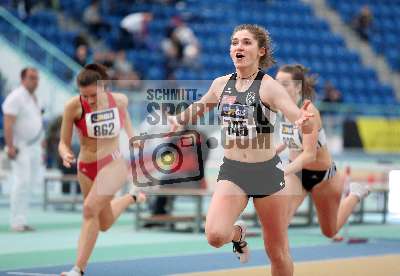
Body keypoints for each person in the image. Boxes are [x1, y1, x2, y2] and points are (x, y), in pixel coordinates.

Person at [167, 24, 313, 276]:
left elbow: (293, 113)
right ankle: (238, 233)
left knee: (277, 252)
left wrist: (302, 119)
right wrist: (178, 119)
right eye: (235, 42)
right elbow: (201, 106)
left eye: (246, 42)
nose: (239, 47)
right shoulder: (221, 84)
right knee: (214, 235)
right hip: (233, 170)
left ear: (260, 51)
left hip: (266, 173)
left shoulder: (269, 87)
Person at [58, 63, 145, 276]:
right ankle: (131, 198)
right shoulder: (73, 106)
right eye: (84, 96)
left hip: (113, 164)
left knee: (88, 210)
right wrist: (64, 153)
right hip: (85, 167)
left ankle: (78, 269)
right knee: (103, 222)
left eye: (92, 96)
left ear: (103, 87)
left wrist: (134, 139)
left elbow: (127, 123)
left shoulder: (119, 101)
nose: (88, 100)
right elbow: (63, 142)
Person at [275, 64, 369, 238]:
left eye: (285, 83)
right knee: (279, 222)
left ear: (297, 87)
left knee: (329, 231)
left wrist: (281, 171)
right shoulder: (280, 109)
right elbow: (290, 138)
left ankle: (355, 193)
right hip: (297, 174)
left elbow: (309, 154)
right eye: (277, 82)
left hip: (323, 177)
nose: (278, 87)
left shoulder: (309, 111)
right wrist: (273, 153)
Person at [2, 67, 44, 232]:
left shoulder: (34, 98)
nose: (36, 81)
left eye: (37, 78)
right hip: (20, 146)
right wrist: (10, 146)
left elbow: (37, 121)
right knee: (22, 182)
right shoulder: (16, 97)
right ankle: (16, 221)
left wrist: (42, 141)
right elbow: (8, 123)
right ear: (22, 79)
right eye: (32, 78)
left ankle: (22, 218)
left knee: (31, 183)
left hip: (34, 145)